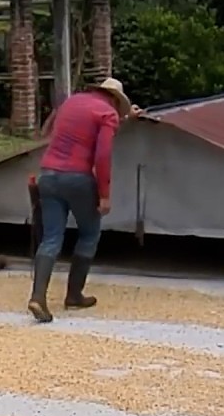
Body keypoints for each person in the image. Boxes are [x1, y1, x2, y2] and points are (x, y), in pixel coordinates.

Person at [27, 77, 143, 323]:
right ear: (115, 100)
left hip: (48, 175)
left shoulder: (72, 102)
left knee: (51, 238)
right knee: (89, 233)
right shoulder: (107, 114)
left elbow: (70, 128)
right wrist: (104, 195)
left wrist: (123, 119)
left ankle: (37, 297)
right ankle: (74, 295)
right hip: (78, 180)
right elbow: (102, 156)